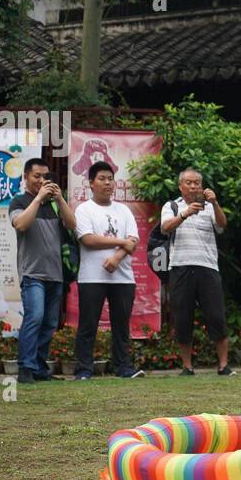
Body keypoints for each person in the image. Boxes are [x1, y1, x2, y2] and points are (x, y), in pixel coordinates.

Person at [159, 169, 232, 376]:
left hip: (208, 267)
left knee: (216, 316)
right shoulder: (171, 206)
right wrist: (185, 213)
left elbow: (222, 225)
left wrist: (216, 203)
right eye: (189, 183)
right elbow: (165, 228)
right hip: (180, 267)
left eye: (197, 183)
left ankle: (223, 365)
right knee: (182, 317)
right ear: (181, 186)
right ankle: (187, 366)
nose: (193, 186)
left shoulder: (210, 207)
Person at [10, 159, 76, 384]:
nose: (41, 180)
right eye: (36, 176)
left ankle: (39, 366)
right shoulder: (19, 201)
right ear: (26, 177)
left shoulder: (55, 204)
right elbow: (20, 224)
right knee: (34, 318)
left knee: (49, 323)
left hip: (56, 274)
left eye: (45, 176)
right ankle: (25, 367)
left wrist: (59, 198)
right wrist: (38, 198)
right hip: (32, 273)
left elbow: (71, 224)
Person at [74, 161, 142, 380]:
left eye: (110, 179)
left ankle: (123, 368)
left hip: (122, 277)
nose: (107, 183)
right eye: (102, 179)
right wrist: (122, 242)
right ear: (91, 183)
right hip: (92, 276)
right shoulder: (84, 209)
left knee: (121, 326)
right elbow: (88, 239)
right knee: (88, 325)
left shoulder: (123, 210)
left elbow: (133, 241)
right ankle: (84, 370)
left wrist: (116, 258)